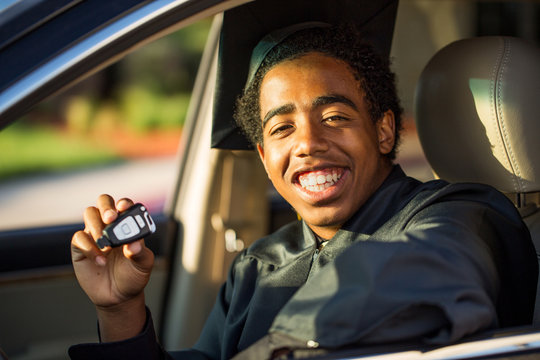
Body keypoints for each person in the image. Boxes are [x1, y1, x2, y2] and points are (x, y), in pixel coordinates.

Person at [68, 24, 537, 359]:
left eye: (334, 117)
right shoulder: (258, 266)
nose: (308, 144)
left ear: (384, 132)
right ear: (264, 156)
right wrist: (122, 311)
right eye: (282, 128)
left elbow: (417, 282)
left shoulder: (461, 215)